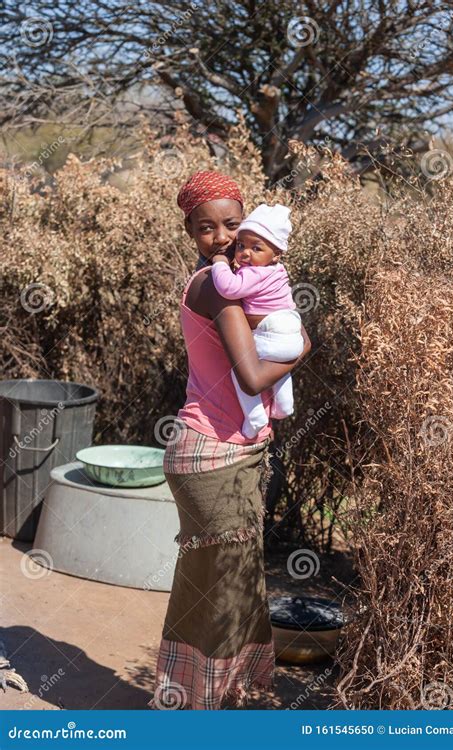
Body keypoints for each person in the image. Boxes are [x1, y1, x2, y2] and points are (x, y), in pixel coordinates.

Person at [148, 170, 311, 711]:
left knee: (226, 589)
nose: (221, 240)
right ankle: (204, 717)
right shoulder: (215, 290)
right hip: (214, 455)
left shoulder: (222, 283)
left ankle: (208, 705)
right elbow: (253, 377)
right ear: (189, 231)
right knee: (222, 596)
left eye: (233, 227)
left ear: (251, 228)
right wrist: (303, 343)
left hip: (222, 452)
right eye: (205, 229)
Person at [210, 203, 304, 438]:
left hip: (272, 330)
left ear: (276, 254)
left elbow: (229, 288)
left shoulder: (254, 272)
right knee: (276, 366)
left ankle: (255, 417)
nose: (245, 253)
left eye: (256, 248)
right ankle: (283, 406)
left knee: (240, 369)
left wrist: (220, 263)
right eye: (241, 245)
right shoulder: (278, 270)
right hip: (292, 333)